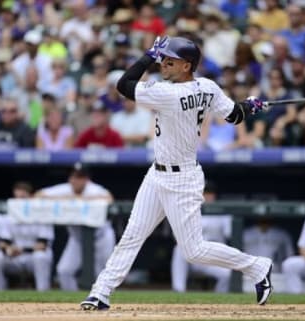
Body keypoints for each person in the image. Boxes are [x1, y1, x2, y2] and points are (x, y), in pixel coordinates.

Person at [81, 36, 273, 311]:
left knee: (194, 251)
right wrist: (249, 105)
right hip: (157, 174)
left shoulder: (167, 93)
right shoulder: (207, 86)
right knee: (133, 234)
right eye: (162, 57)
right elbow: (234, 116)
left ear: (187, 66)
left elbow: (124, 85)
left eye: (170, 59)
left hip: (182, 179)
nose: (163, 62)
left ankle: (256, 266)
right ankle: (101, 292)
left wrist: (147, 55)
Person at [35, 162, 116, 291]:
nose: (75, 180)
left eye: (80, 177)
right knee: (64, 271)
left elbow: (109, 199)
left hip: (100, 238)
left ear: (86, 179)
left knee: (104, 274)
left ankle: (105, 302)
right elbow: (38, 195)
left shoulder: (93, 189)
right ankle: (72, 303)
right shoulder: (65, 189)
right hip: (77, 239)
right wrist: (70, 198)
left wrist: (78, 199)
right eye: (73, 176)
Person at [0, 181, 54, 291]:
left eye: (24, 197)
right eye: (18, 197)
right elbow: (3, 243)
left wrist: (21, 249)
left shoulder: (42, 215)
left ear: (31, 197)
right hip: (16, 258)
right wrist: (8, 249)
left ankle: (43, 293)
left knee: (40, 257)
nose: (21, 201)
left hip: (33, 257)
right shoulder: (9, 217)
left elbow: (42, 245)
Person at [171, 181, 232, 293]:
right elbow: (177, 236)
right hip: (194, 257)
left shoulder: (223, 212)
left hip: (213, 257)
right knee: (178, 249)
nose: (207, 196)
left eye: (210, 193)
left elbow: (231, 235)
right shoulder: (188, 210)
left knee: (229, 274)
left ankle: (219, 300)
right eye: (204, 193)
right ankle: (178, 291)